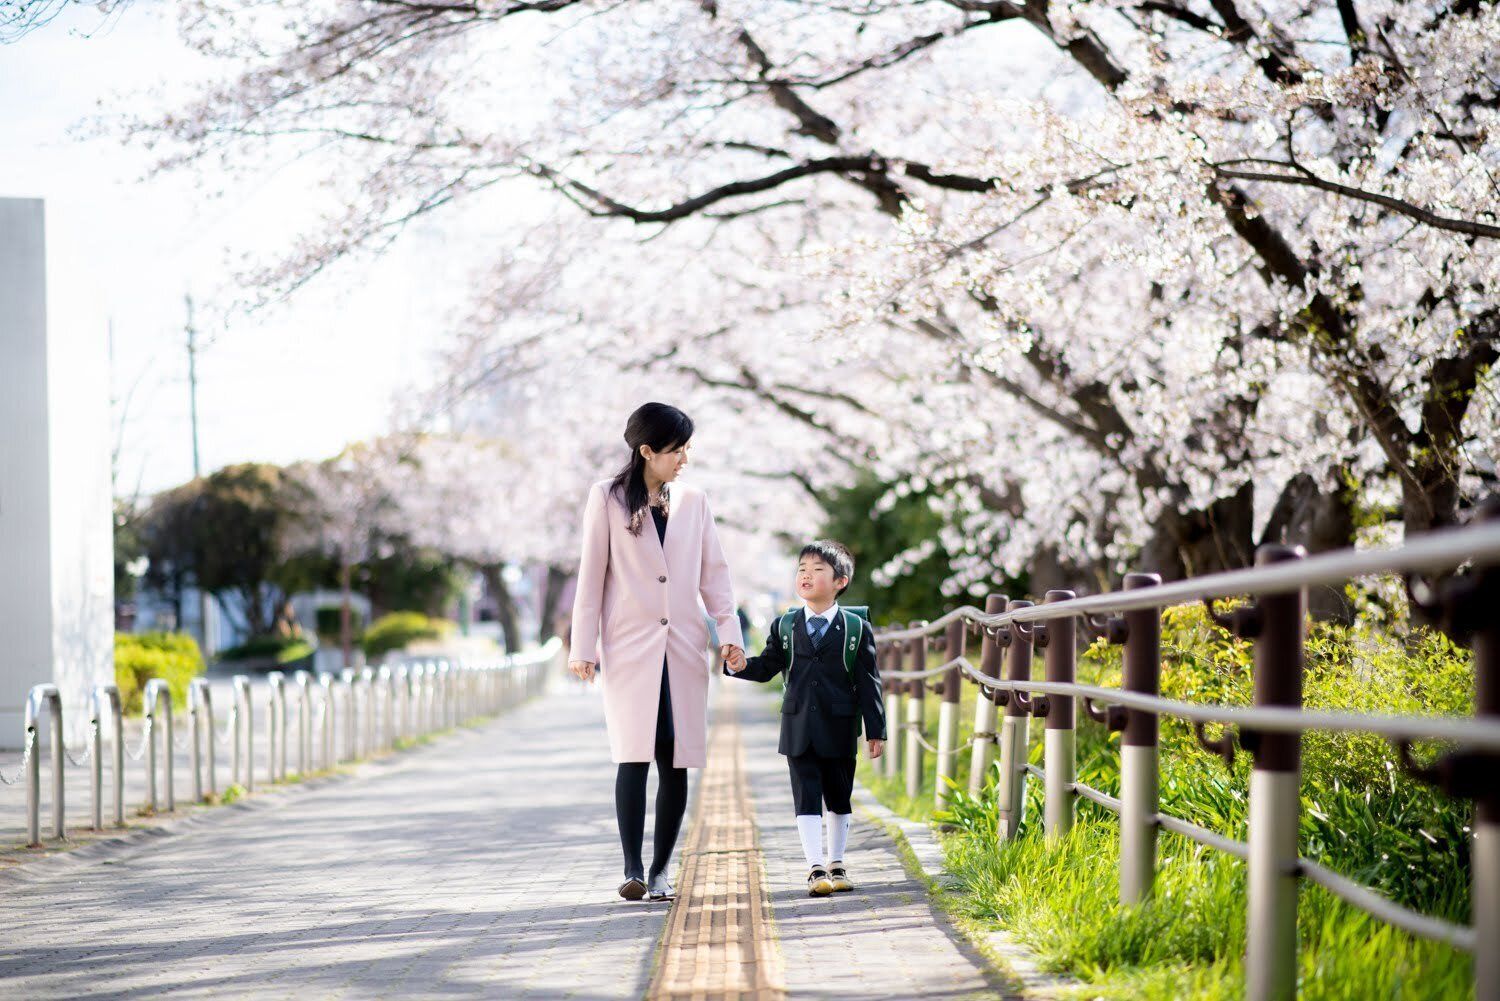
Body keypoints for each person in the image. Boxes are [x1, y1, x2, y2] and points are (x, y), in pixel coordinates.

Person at [568, 402, 745, 902]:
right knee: (632, 756)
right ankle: (632, 869)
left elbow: (716, 575)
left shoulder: (694, 501)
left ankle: (662, 870)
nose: (685, 458)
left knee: (676, 757)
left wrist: (729, 634)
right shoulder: (606, 497)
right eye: (676, 449)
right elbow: (591, 576)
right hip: (629, 646)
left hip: (684, 646)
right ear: (647, 451)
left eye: (688, 448)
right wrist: (583, 647)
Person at [724, 540, 886, 896]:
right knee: (806, 797)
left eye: (817, 570)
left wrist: (876, 729)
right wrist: (739, 666)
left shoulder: (856, 628)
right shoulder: (785, 625)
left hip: (840, 725)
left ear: (840, 581)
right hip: (797, 725)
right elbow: (767, 667)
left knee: (839, 796)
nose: (806, 576)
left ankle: (837, 863)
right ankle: (815, 867)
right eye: (802, 569)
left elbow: (868, 681)